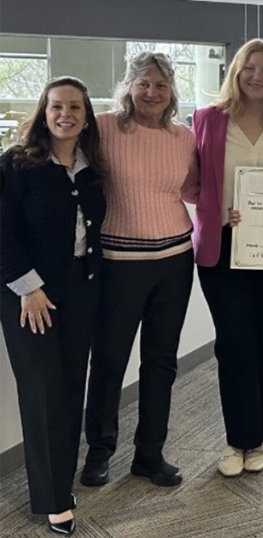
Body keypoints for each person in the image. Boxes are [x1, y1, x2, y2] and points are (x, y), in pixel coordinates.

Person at [184, 39, 263, 477]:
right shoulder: (206, 121)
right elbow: (189, 184)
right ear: (236, 72)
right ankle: (236, 439)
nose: (257, 76)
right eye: (250, 68)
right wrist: (223, 209)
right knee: (235, 344)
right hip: (222, 250)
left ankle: (259, 438)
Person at [81, 51, 196, 488]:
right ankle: (99, 452)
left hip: (174, 261)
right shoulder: (104, 127)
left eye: (161, 85)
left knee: (161, 360)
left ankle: (150, 454)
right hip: (118, 263)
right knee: (109, 359)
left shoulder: (182, 136)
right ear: (128, 86)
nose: (152, 92)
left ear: (172, 92)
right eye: (143, 83)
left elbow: (191, 188)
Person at [0, 76, 106, 536]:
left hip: (80, 291)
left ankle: (60, 480)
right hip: (30, 297)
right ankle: (52, 500)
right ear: (44, 113)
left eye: (76, 108)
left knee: (68, 389)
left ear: (86, 118)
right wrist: (28, 287)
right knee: (43, 393)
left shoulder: (91, 168)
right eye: (57, 106)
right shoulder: (17, 165)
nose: (66, 114)